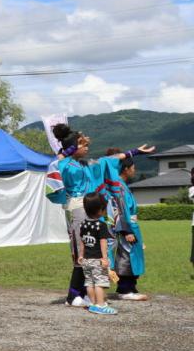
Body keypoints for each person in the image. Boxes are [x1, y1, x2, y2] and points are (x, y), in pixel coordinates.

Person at [49, 123, 153, 307]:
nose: (87, 147)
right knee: (82, 250)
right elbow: (54, 165)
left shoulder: (89, 164)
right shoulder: (63, 164)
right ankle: (74, 295)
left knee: (91, 251)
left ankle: (83, 293)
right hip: (77, 209)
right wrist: (67, 151)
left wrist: (134, 152)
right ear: (73, 147)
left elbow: (110, 160)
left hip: (90, 208)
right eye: (83, 144)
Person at [104, 148, 147, 301]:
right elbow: (120, 210)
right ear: (126, 169)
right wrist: (126, 230)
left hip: (131, 224)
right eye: (133, 167)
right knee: (126, 255)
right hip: (125, 226)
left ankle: (131, 286)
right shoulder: (119, 187)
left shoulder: (122, 185)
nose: (134, 170)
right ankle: (124, 288)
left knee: (134, 254)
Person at [77, 193, 116, 315]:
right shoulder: (101, 225)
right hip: (98, 259)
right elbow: (103, 242)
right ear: (100, 210)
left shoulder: (83, 224)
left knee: (89, 282)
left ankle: (93, 304)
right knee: (100, 282)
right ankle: (101, 305)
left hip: (86, 260)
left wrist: (81, 255)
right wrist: (105, 258)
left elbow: (82, 240)